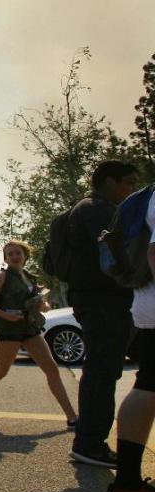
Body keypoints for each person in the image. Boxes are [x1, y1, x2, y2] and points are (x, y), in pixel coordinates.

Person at [68, 160, 140, 467]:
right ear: (109, 181)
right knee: (102, 373)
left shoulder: (84, 208)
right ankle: (90, 444)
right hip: (104, 302)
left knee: (102, 371)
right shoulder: (98, 210)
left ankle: (89, 441)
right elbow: (116, 255)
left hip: (97, 300)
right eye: (128, 182)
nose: (131, 189)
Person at [0, 240, 77, 427]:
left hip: (29, 328)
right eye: (10, 254)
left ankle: (72, 417)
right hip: (9, 330)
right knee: (1, 371)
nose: (14, 256)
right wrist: (5, 315)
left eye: (18, 253)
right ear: (5, 258)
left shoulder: (29, 277)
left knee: (52, 369)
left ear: (25, 256)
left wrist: (42, 305)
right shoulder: (2, 277)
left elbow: (41, 305)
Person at [107, 184, 155, 492]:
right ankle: (126, 484)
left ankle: (127, 483)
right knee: (149, 385)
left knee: (149, 384)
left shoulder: (146, 197)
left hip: (148, 306)